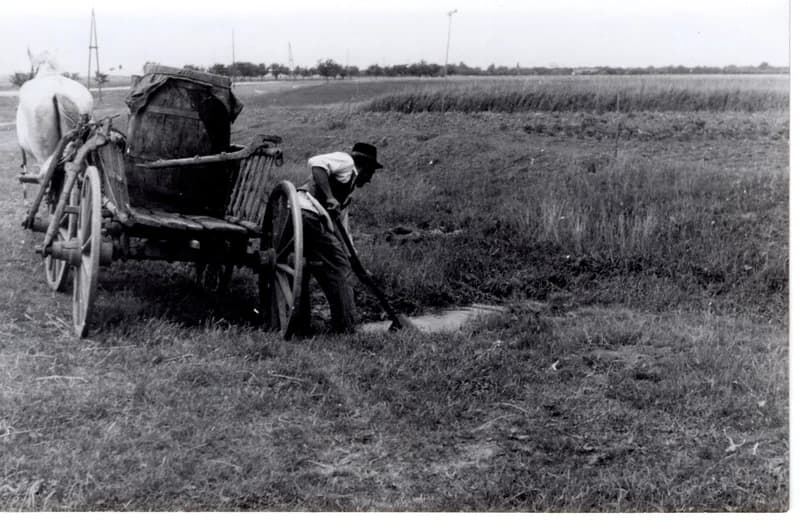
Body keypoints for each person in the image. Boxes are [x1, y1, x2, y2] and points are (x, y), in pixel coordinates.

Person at [295, 142, 383, 334]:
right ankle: (346, 329)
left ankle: (301, 324)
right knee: (340, 269)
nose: (369, 180)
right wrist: (329, 196)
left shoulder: (345, 195)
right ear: (365, 166)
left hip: (308, 220)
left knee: (313, 266)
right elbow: (316, 164)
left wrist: (357, 264)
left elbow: (344, 233)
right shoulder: (346, 162)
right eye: (371, 173)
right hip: (307, 213)